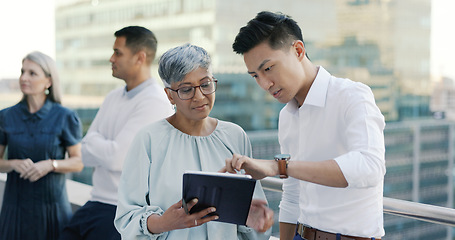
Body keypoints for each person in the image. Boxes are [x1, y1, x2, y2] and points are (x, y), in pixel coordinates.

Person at [222, 11, 386, 240]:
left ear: (298, 50)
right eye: (255, 76)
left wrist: (278, 167)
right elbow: (292, 194)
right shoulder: (286, 116)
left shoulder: (352, 95)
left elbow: (369, 167)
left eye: (268, 68)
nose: (265, 84)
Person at [114, 43, 274, 240]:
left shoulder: (235, 136)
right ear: (169, 95)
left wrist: (254, 220)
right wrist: (164, 222)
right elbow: (126, 218)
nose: (199, 97)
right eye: (186, 89)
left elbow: (255, 220)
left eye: (205, 84)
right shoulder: (148, 140)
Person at [59, 26, 173, 240]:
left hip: (121, 211)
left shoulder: (155, 101)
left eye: (118, 53)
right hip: (95, 204)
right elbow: (84, 151)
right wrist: (104, 148)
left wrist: (101, 145)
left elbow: (116, 159)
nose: (111, 58)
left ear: (140, 57)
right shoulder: (113, 97)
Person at [0, 51, 84, 240]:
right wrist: (12, 163)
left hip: (52, 211)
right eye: (23, 71)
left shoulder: (65, 116)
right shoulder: (5, 116)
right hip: (15, 209)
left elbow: (78, 162)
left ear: (48, 81)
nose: (24, 78)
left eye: (32, 73)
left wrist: (51, 165)